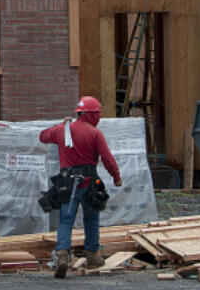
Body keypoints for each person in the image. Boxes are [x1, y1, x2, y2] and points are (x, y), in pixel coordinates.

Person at [39, 95, 122, 278]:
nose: (99, 118)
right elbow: (107, 159)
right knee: (91, 220)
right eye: (98, 115)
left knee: (66, 220)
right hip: (89, 184)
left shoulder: (64, 130)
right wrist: (116, 177)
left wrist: (60, 125)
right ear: (91, 115)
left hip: (67, 185)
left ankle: (62, 255)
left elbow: (43, 136)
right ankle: (92, 256)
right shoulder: (95, 134)